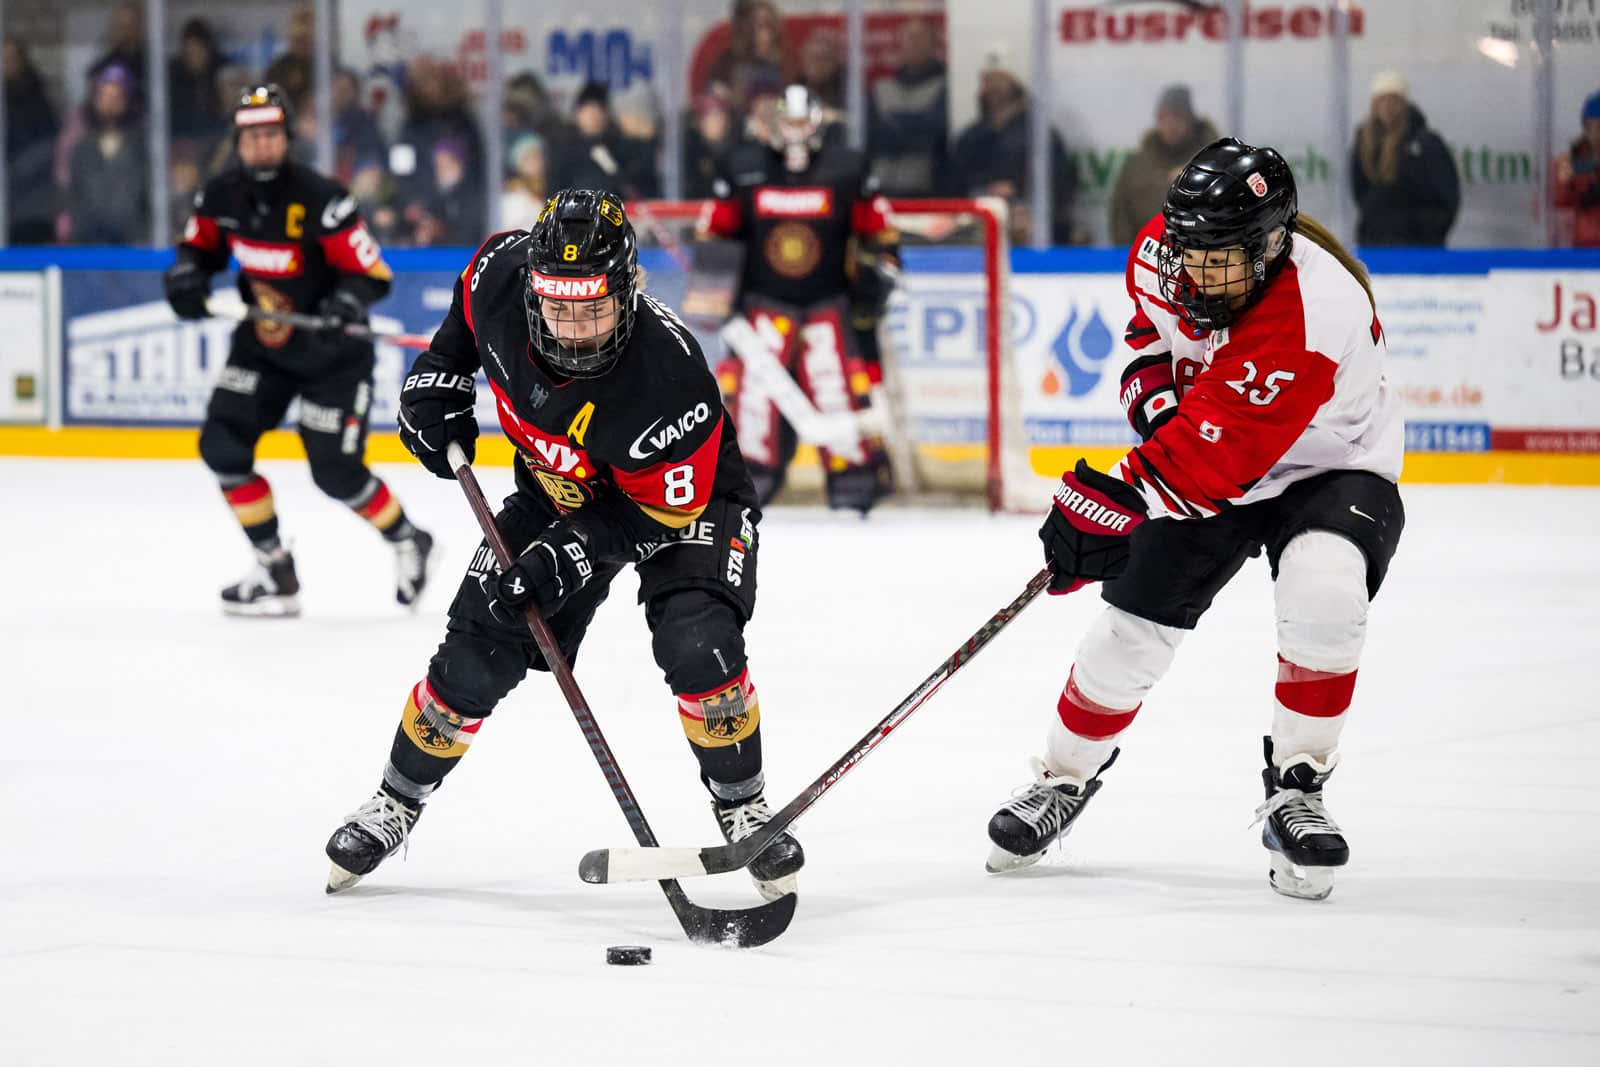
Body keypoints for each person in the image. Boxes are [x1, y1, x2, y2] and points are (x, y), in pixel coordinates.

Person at [322, 189, 804, 903]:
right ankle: (395, 799)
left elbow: (659, 511)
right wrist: (441, 372)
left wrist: (572, 551)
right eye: (558, 305)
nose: (574, 327)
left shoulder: (668, 376)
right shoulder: (501, 275)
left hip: (683, 501)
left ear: (627, 291)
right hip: (560, 489)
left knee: (697, 642)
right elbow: (466, 308)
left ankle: (743, 802)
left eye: (594, 307)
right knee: (473, 652)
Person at [985, 139, 1405, 902]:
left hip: (1331, 465)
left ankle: (1298, 786)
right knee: (1127, 630)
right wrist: (1150, 398)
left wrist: (1109, 499)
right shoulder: (1165, 252)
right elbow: (1150, 335)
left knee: (1325, 596)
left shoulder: (1314, 309)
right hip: (1213, 451)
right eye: (1191, 253)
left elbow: (1223, 455)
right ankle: (1063, 778)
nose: (1200, 272)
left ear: (1273, 244)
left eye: (1223, 259)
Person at [163, 85, 435, 616]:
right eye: (252, 136)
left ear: (286, 137)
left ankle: (409, 538)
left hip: (332, 356)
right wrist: (187, 277)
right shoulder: (220, 196)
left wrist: (345, 303)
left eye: (271, 135)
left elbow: (372, 275)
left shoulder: (321, 199)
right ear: (238, 141)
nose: (262, 146)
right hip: (263, 348)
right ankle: (274, 567)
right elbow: (198, 251)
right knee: (222, 447)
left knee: (336, 473)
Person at [699, 84, 901, 513]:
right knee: (754, 404)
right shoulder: (743, 166)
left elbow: (879, 230)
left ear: (817, 123)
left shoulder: (846, 168)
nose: (793, 132)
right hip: (761, 307)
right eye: (786, 122)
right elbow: (716, 232)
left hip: (828, 303)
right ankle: (750, 480)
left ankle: (854, 478)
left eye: (800, 121)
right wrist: (712, 292)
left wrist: (882, 269)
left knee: (836, 391)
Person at [949, 45, 1076, 245]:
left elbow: (1061, 184)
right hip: (979, 225)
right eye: (987, 80)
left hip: (1027, 226)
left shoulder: (1041, 135)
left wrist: (1018, 190)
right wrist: (986, 190)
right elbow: (954, 184)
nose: (992, 87)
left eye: (999, 79)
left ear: (1014, 82)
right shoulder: (970, 137)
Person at [1349, 70, 1459, 246]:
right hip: (1374, 243)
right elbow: (1359, 191)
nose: (1387, 107)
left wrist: (1427, 232)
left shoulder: (1426, 144)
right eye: (1382, 101)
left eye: (1394, 100)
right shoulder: (1364, 143)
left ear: (1404, 104)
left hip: (1418, 246)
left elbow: (1446, 196)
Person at [1108, 85, 1218, 246]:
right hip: (1145, 258)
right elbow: (1121, 215)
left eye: (1177, 117)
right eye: (1164, 117)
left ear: (1190, 121)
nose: (1170, 125)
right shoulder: (1137, 165)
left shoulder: (1213, 162)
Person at [866, 16, 948, 199]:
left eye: (920, 38)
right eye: (909, 38)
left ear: (934, 44)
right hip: (880, 190)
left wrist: (893, 123)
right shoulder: (881, 88)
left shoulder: (946, 86)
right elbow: (870, 136)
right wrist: (915, 123)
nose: (914, 44)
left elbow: (935, 135)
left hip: (927, 192)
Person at [1553, 90, 1600, 248]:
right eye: (1597, 127)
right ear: (1586, 128)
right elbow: (1550, 206)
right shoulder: (1567, 162)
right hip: (1584, 248)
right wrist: (1564, 184)